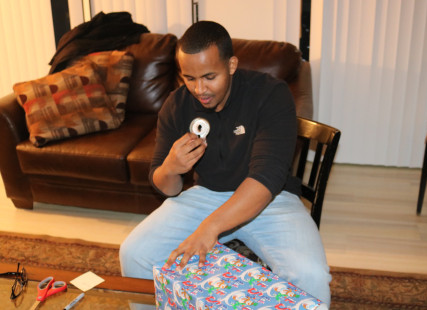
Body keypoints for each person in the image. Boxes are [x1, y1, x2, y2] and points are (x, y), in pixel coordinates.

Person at [119, 21, 331, 305]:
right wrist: (171, 167)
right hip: (206, 195)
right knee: (134, 253)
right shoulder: (176, 104)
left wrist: (210, 228)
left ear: (231, 65)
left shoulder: (270, 95)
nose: (199, 89)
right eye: (189, 78)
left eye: (209, 76)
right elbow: (165, 187)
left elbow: (266, 179)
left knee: (310, 275)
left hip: (271, 201)